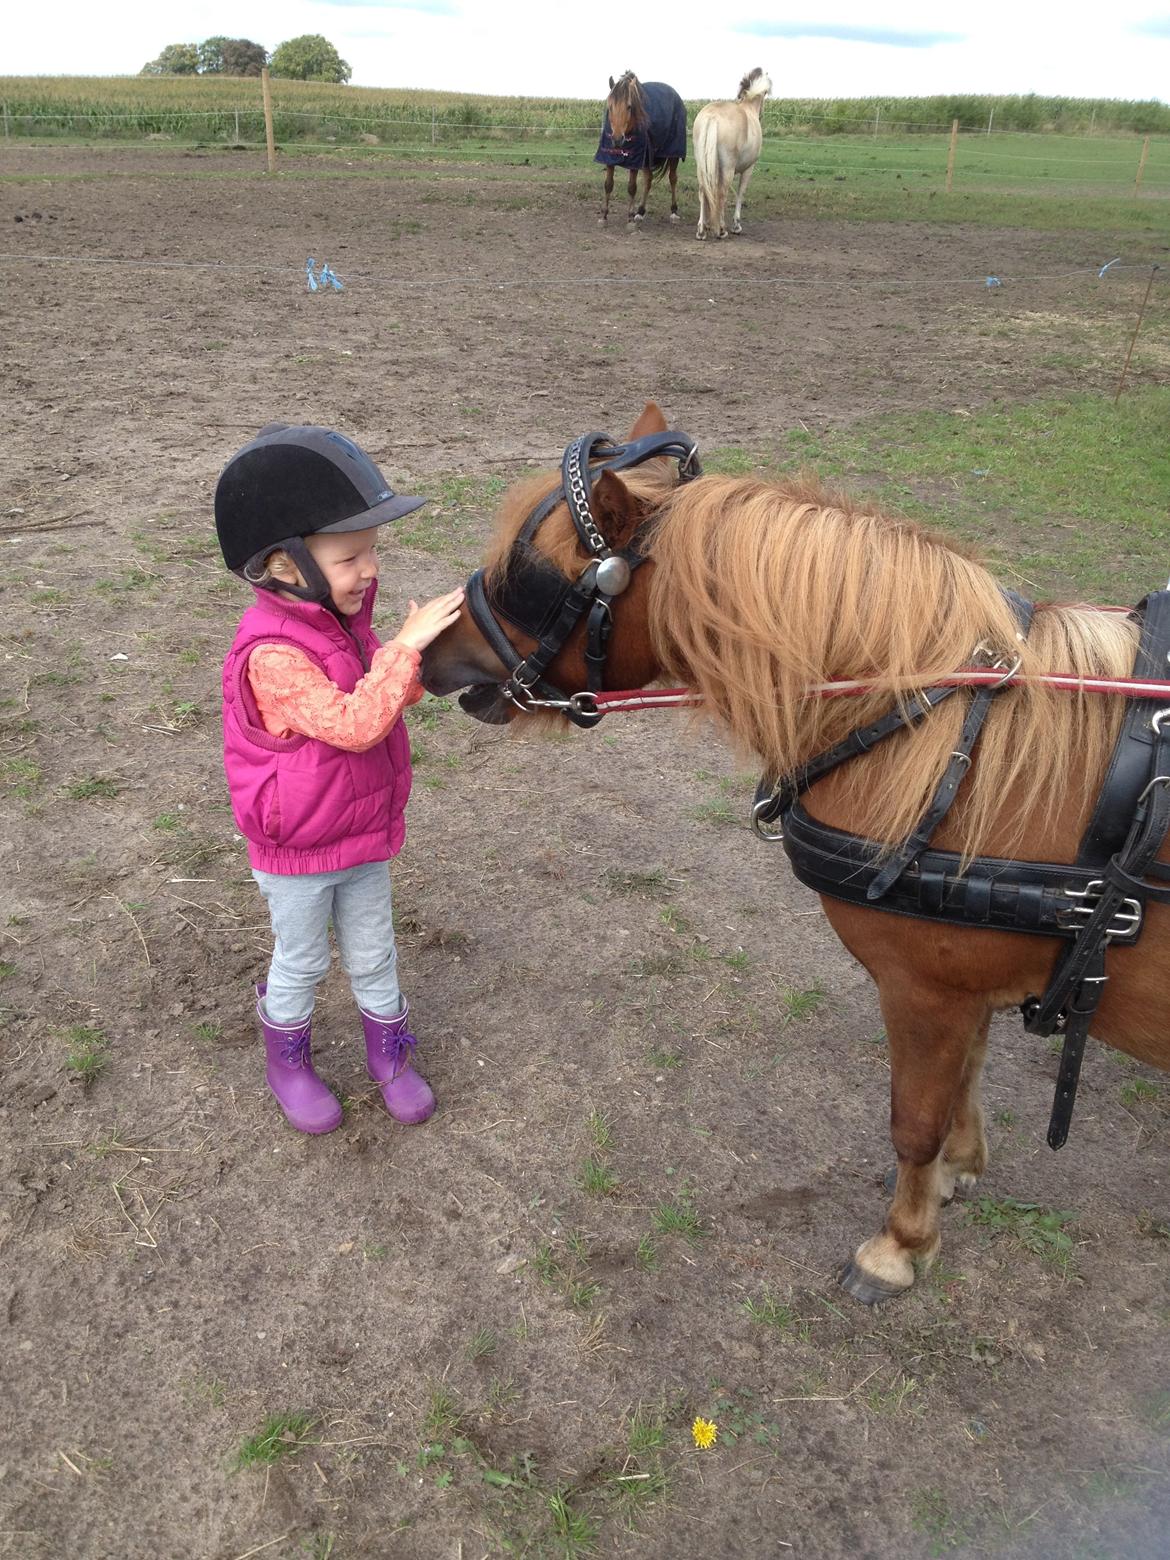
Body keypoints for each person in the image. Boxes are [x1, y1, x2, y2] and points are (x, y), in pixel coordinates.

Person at [214, 423, 464, 1135]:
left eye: (372, 553)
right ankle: (286, 1062)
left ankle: (389, 1058)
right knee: (301, 962)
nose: (369, 570)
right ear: (284, 565)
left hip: (359, 836)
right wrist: (403, 652)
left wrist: (423, 658)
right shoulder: (273, 655)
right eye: (351, 556)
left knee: (374, 952)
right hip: (298, 853)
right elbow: (355, 724)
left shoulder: (341, 625)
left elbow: (381, 699)